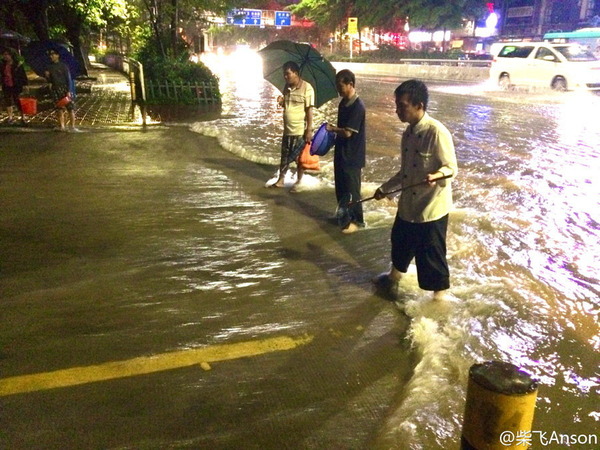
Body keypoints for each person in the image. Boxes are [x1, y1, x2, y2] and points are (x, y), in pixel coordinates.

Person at [372, 79, 457, 301]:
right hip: (408, 206)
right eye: (397, 105)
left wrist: (436, 176)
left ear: (419, 105)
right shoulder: (408, 134)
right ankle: (393, 278)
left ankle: (439, 300)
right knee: (399, 241)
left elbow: (451, 168)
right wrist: (385, 189)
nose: (397, 110)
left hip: (431, 208)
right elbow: (405, 173)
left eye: (402, 106)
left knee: (432, 256)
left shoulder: (437, 132)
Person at [327, 69, 366, 234]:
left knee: (352, 190)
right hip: (341, 152)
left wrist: (332, 129)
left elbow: (348, 132)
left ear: (351, 84)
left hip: (353, 155)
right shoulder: (343, 103)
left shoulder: (358, 107)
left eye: (340, 86)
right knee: (341, 187)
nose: (339, 90)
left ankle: (358, 221)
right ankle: (343, 217)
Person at [269, 61, 314, 190]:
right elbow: (287, 104)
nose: (285, 77)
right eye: (284, 74)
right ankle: (281, 180)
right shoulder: (286, 87)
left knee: (299, 158)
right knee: (284, 155)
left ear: (295, 73)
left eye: (288, 74)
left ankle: (299, 181)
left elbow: (309, 110)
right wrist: (281, 101)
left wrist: (309, 130)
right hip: (287, 129)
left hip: (299, 130)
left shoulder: (307, 88)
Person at [44, 49, 78, 132]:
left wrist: (69, 90)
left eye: (53, 54)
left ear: (57, 55)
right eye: (50, 55)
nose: (51, 56)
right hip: (55, 89)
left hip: (64, 88)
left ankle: (72, 126)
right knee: (59, 108)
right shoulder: (49, 67)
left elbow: (68, 79)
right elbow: (49, 81)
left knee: (70, 108)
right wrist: (47, 76)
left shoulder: (63, 66)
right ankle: (62, 126)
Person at [1, 49, 28, 125]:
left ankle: (23, 116)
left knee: (18, 101)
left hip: (16, 85)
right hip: (6, 85)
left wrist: (25, 84)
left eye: (7, 54)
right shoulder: (3, 64)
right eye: (4, 54)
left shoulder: (17, 64)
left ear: (11, 55)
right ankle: (10, 117)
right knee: (8, 100)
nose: (5, 56)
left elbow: (23, 75)